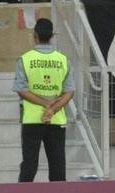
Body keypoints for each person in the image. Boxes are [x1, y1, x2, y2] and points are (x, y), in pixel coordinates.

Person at [13, 17, 74, 182]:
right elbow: (69, 92)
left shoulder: (25, 59)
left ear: (35, 35)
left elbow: (21, 90)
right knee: (57, 165)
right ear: (52, 35)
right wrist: (52, 108)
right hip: (56, 119)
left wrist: (44, 104)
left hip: (31, 119)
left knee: (29, 165)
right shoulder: (63, 60)